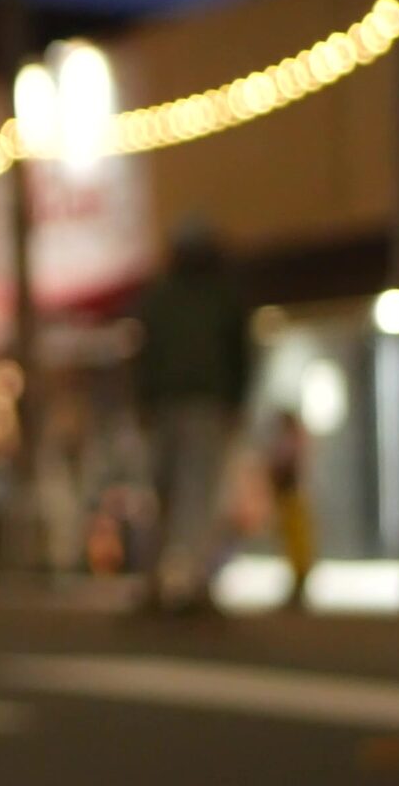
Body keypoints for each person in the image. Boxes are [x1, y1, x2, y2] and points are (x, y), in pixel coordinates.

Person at [129, 217, 255, 613]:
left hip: (173, 403)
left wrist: (145, 401)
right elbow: (240, 355)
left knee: (165, 496)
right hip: (203, 403)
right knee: (195, 499)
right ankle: (190, 582)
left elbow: (143, 353)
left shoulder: (162, 295)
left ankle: (159, 582)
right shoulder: (220, 294)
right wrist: (236, 402)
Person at [266, 409, 314, 609]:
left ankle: (300, 580)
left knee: (297, 538)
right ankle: (298, 581)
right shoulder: (291, 442)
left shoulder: (292, 443)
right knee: (292, 538)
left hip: (291, 494)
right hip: (288, 495)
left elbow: (284, 467)